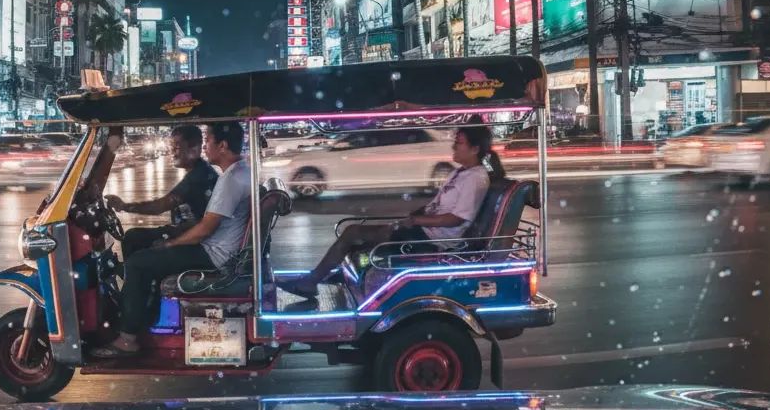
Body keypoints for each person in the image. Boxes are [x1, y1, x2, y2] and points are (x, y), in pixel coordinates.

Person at [281, 126, 500, 299]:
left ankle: (312, 282)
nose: (453, 147)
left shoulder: (475, 179)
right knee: (358, 240)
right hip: (423, 230)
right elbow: (438, 204)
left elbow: (456, 219)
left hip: (434, 239)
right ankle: (337, 279)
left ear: (475, 149)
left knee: (352, 233)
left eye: (459, 143)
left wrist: (416, 221)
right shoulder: (462, 172)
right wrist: (411, 217)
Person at [92, 120, 251, 356]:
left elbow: (205, 228)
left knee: (138, 263)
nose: (205, 147)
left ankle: (128, 337)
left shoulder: (228, 179)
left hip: (213, 254)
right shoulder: (236, 173)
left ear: (223, 145)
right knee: (138, 245)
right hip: (217, 248)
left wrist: (170, 243)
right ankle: (138, 311)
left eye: (208, 141)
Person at [106, 124, 218, 261]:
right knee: (134, 237)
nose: (173, 152)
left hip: (193, 240)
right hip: (188, 232)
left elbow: (160, 206)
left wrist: (124, 206)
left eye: (176, 147)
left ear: (194, 149)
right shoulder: (201, 171)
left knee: (133, 241)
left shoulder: (198, 177)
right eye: (172, 147)